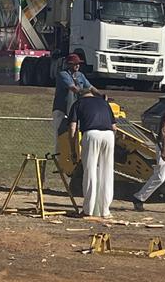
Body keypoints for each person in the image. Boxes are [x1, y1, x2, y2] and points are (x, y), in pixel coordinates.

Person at [68, 88, 117, 218]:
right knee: (107, 171)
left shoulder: (78, 103)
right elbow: (114, 127)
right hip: (109, 135)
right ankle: (105, 210)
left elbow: (73, 127)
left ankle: (88, 210)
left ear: (79, 96)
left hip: (91, 134)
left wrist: (73, 149)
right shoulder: (104, 103)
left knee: (90, 171)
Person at [51, 53, 103, 153]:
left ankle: (74, 155)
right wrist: (87, 93)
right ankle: (58, 156)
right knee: (60, 135)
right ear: (69, 64)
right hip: (61, 110)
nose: (78, 65)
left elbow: (91, 87)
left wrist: (100, 95)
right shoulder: (63, 74)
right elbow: (74, 89)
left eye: (79, 64)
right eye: (75, 64)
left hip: (74, 110)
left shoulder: (80, 75)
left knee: (75, 134)